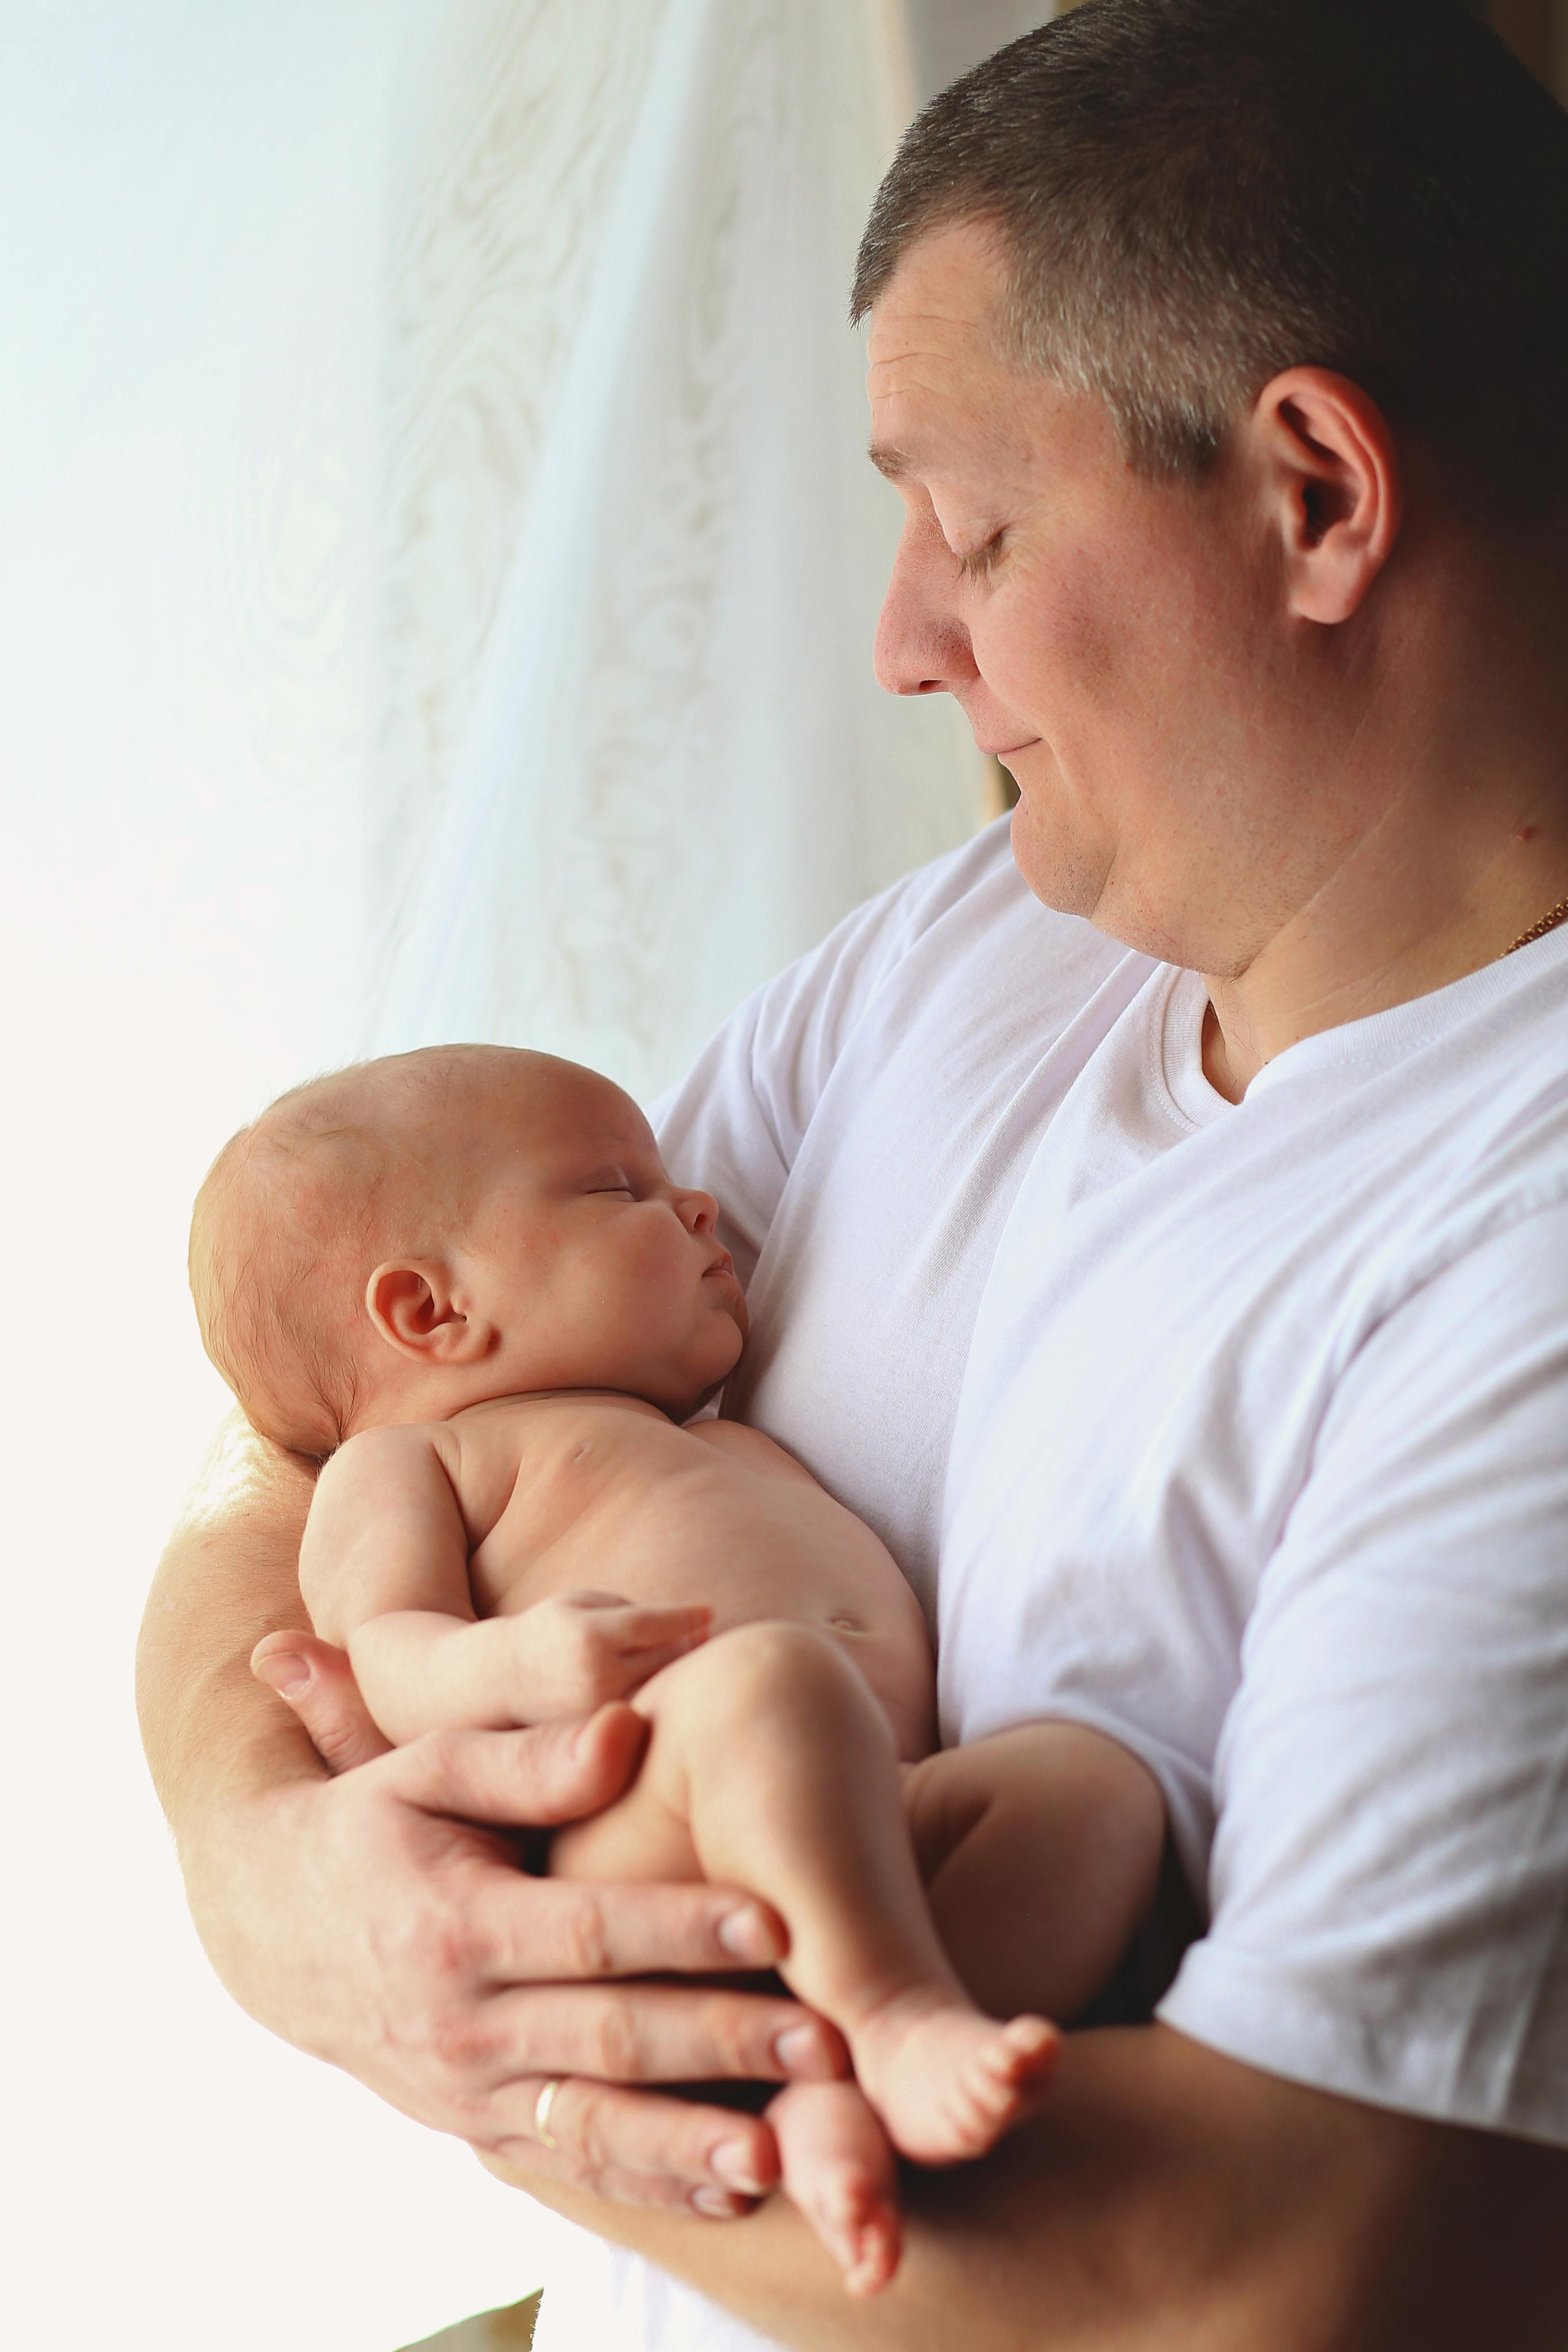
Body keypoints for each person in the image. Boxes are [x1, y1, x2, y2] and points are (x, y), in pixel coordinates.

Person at [138, 2, 1568, 2344]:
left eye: (974, 530)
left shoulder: (1517, 1237)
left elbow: (1285, 2261)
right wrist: (264, 1865)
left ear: (1318, 494)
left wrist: (479, 2047)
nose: (903, 644)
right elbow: (345, 1401)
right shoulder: (979, 942)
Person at [186, 1042, 1163, 2294]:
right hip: (653, 1825)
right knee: (765, 1684)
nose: (696, 1203)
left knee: (1089, 1790)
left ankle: (828, 2084)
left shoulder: (705, 1438)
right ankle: (894, 2018)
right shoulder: (416, 1463)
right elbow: (385, 1653)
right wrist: (520, 1664)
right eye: (618, 1191)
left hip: (870, 1815)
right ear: (431, 1312)